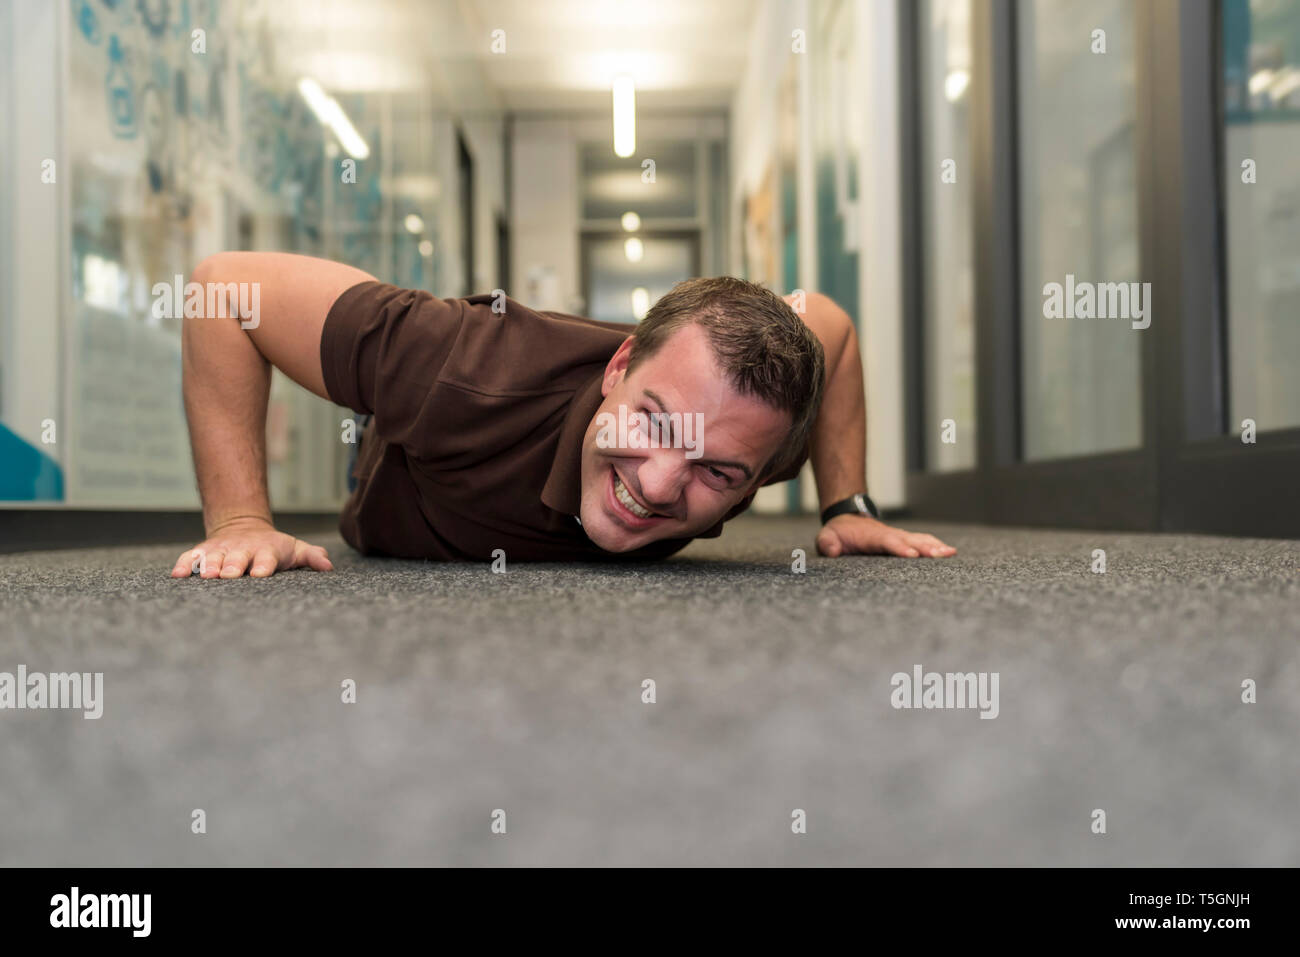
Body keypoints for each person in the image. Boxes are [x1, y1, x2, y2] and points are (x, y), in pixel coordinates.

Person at [170, 252, 955, 579]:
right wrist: (239, 518)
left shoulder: (754, 432)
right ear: (621, 366)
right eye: (653, 422)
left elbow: (831, 324)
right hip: (406, 467)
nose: (657, 485)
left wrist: (845, 503)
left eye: (716, 474)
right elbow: (218, 290)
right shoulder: (454, 364)